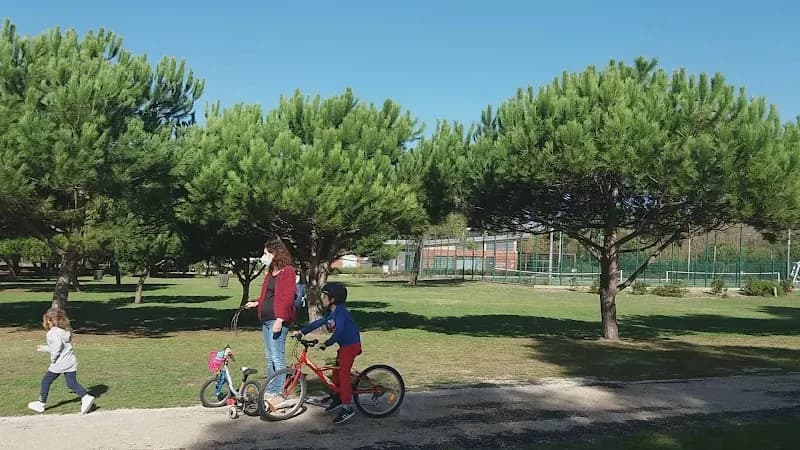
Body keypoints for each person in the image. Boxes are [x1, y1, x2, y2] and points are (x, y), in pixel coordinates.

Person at [295, 282, 361, 424]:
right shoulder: (332, 313)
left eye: (325, 297)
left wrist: (327, 343)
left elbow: (339, 332)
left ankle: (347, 407)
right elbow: (318, 323)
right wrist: (302, 331)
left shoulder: (341, 312)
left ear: (333, 299)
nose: (322, 299)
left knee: (343, 375)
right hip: (344, 346)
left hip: (351, 346)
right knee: (336, 373)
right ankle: (338, 397)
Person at [244, 239, 296, 397]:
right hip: (266, 319)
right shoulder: (271, 272)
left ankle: (278, 391)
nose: (264, 256)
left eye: (266, 253)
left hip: (276, 319)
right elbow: (269, 296)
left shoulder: (287, 271)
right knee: (269, 357)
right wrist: (256, 303)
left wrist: (280, 319)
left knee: (277, 356)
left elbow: (287, 297)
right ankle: (271, 388)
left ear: (276, 253)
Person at [28, 308, 95, 414]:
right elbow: (59, 346)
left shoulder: (52, 333)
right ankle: (86, 397)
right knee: (71, 383)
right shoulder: (64, 332)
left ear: (49, 321)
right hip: (70, 361)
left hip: (60, 363)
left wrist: (53, 359)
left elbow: (57, 347)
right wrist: (45, 348)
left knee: (46, 381)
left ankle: (41, 403)